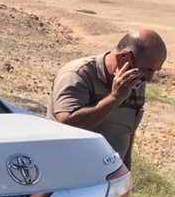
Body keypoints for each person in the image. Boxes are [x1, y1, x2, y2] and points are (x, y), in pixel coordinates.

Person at [51, 30, 167, 167]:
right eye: (147, 69)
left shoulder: (135, 81)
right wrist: (115, 98)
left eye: (155, 71)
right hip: (70, 175)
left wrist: (125, 175)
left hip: (108, 177)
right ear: (124, 57)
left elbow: (127, 132)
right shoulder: (77, 75)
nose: (149, 78)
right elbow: (67, 124)